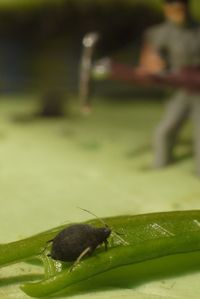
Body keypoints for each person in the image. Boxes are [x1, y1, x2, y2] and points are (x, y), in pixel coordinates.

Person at [140, 0, 200, 175]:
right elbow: (150, 59)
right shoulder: (160, 33)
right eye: (172, 9)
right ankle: (161, 162)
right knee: (165, 130)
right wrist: (153, 66)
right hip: (179, 90)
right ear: (166, 10)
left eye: (180, 9)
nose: (177, 13)